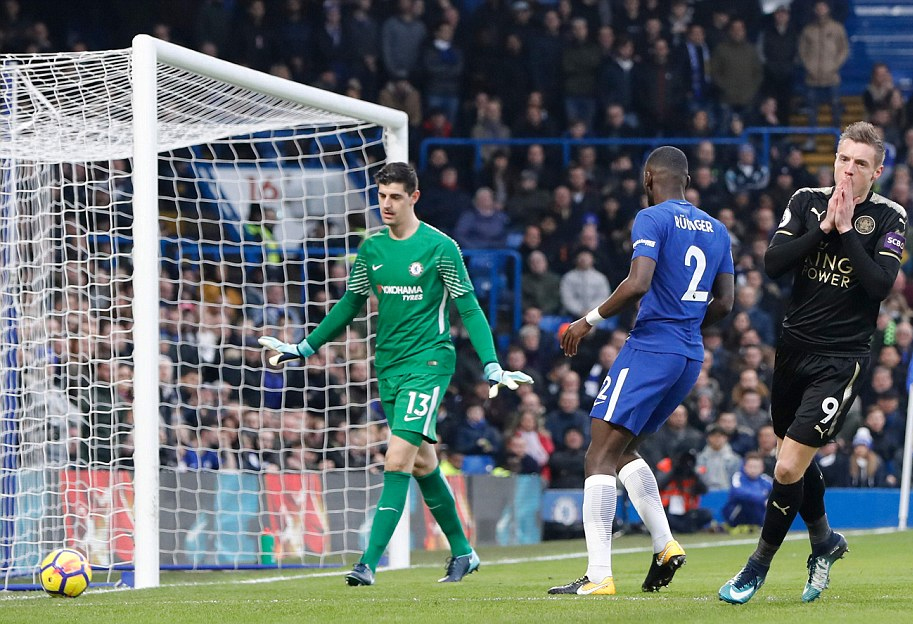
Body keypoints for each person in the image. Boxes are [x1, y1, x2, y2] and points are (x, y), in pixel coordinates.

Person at [259, 162, 532, 586]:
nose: (386, 204)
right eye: (382, 196)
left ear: (414, 197)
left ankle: (367, 563)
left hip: (428, 365)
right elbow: (349, 305)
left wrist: (491, 362)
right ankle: (463, 551)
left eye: (395, 197)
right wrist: (303, 348)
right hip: (387, 367)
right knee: (423, 464)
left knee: (396, 457)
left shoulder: (441, 248)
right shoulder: (371, 249)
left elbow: (469, 308)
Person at [719, 121, 907, 604]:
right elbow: (774, 262)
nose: (849, 169)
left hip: (841, 360)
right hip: (792, 350)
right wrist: (823, 226)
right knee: (794, 463)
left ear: (877, 172)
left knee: (784, 468)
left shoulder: (890, 218)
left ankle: (755, 568)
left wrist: (845, 231)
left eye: (860, 163)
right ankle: (825, 542)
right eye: (844, 159)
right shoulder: (805, 201)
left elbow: (880, 286)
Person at [548, 146, 734, 596]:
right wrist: (687, 324)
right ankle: (665, 542)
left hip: (653, 347)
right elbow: (725, 304)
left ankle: (598, 576)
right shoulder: (718, 228)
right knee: (622, 449)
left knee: (597, 454)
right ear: (686, 179)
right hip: (689, 356)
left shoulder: (651, 218)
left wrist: (586, 321)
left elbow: (638, 283)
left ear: (649, 177)